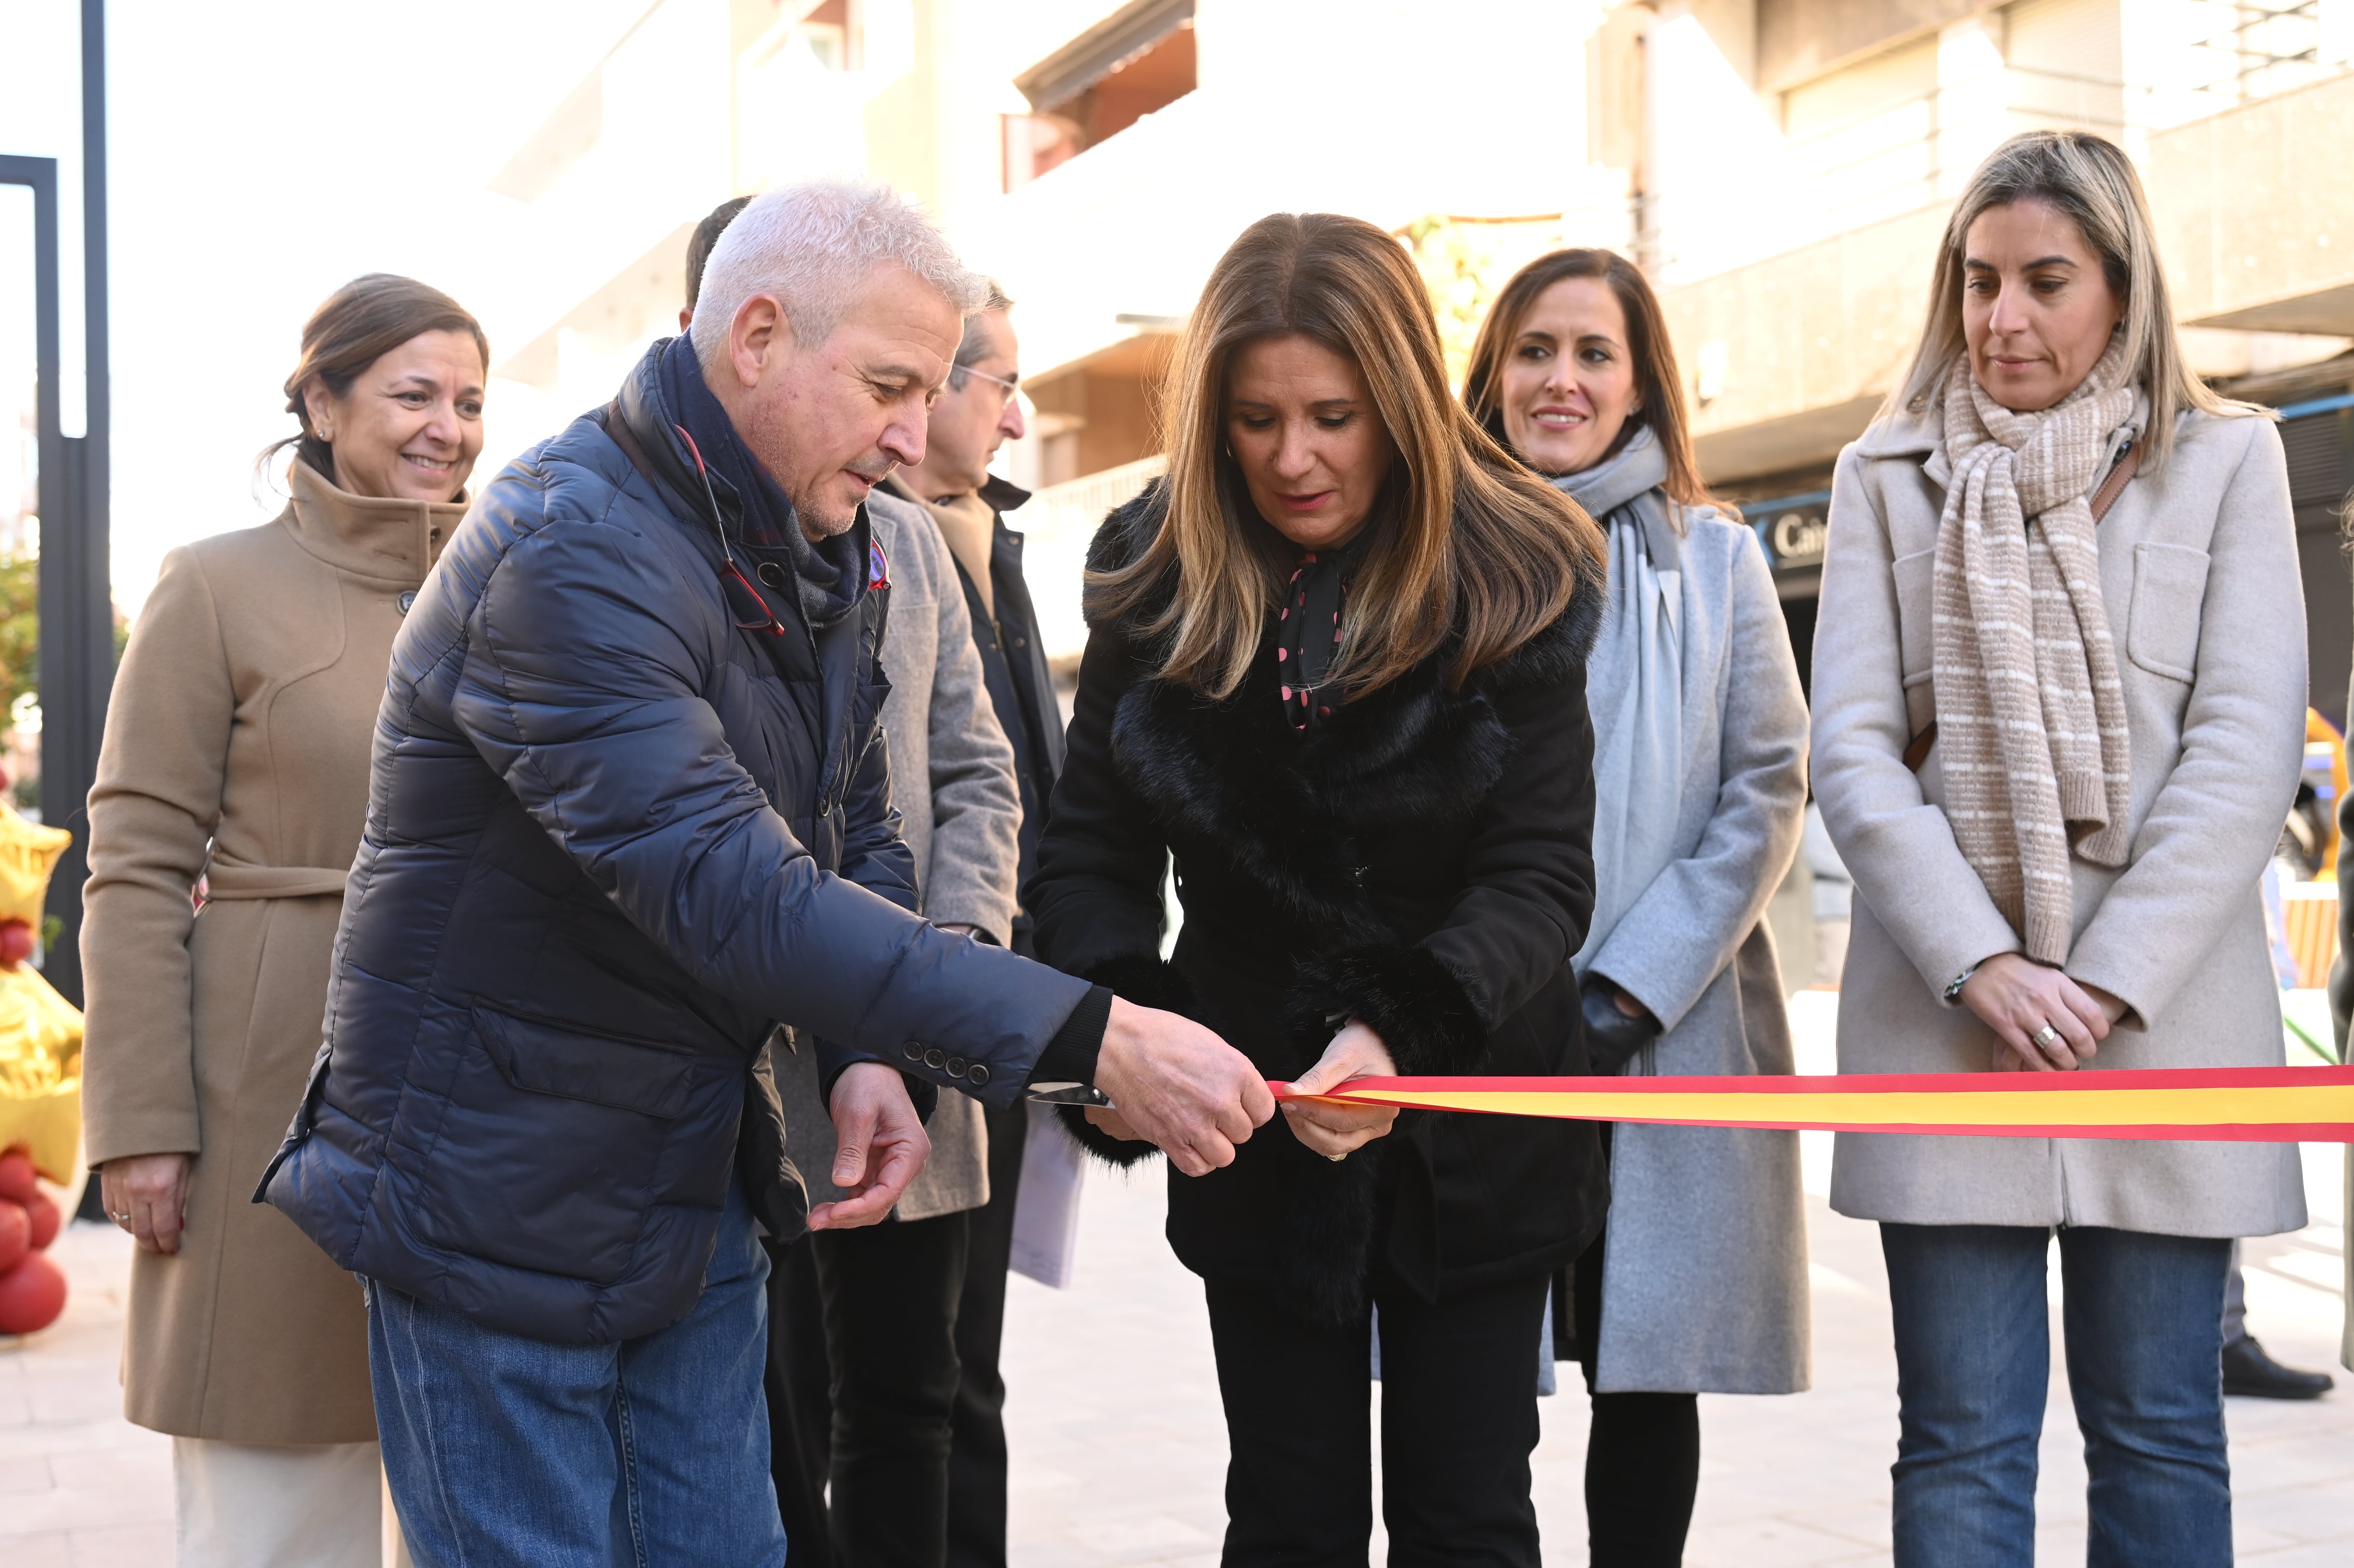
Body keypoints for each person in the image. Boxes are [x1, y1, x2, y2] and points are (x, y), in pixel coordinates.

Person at [258, 179, 1271, 1567]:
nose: (918, 435)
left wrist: (869, 1051)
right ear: (756, 336)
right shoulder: (567, 550)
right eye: (889, 385)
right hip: (497, 1203)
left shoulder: (819, 527)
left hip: (688, 1186)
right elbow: (732, 885)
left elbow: (857, 819)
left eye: (932, 389)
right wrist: (1085, 1037)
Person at [1028, 211, 1609, 1566]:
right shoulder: (1150, 569)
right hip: (1251, 1114)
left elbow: (1541, 874)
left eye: (1335, 416)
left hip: (1475, 1108)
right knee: (1288, 1518)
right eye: (1256, 419)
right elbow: (1088, 854)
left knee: (1468, 1518)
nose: (1294, 458)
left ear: (1399, 399)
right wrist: (1134, 1033)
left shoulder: (1519, 561)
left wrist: (1398, 1027)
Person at [1811, 130, 2308, 1566]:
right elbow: (1850, 750)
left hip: (2167, 1029)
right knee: (1960, 1442)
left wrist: (2107, 977)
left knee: (2163, 1429)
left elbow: (2245, 741)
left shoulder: (2230, 463)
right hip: (1948, 1024)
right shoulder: (1884, 475)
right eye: (1977, 282)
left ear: (2122, 288)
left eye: (2043, 281)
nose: (2001, 319)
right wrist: (1985, 963)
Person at [80, 272, 486, 1567]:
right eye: (413, 392)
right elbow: (133, 863)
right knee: (272, 1500)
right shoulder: (212, 585)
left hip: (482, 1091)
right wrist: (142, 1123)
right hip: (267, 1088)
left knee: (461, 1479)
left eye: (472, 401)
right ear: (319, 399)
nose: (450, 427)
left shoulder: (514, 588)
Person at [679, 194, 1036, 1568]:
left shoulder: (908, 547)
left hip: (910, 1042)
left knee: (914, 1407)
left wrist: (950, 973)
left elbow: (976, 773)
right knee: (763, 1418)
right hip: (737, 1060)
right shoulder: (652, 539)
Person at [1461, 247, 1811, 1566]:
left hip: (1657, 1030)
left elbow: (1766, 785)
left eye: (1591, 353)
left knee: (1642, 1367)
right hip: (1481, 1030)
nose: (1560, 379)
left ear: (1637, 380)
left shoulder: (1712, 560)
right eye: (1535, 349)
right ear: (1492, 371)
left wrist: (1629, 985)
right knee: (1477, 1376)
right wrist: (1484, 984)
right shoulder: (1437, 551)